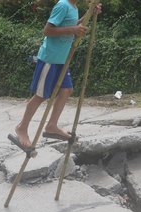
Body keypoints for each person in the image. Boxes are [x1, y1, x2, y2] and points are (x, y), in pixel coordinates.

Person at [9, 0, 101, 151]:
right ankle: (21, 128)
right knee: (41, 95)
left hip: (61, 60)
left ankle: (52, 125)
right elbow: (48, 30)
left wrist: (89, 13)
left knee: (66, 90)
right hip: (50, 59)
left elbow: (72, 25)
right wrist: (73, 29)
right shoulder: (63, 5)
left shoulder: (73, 7)